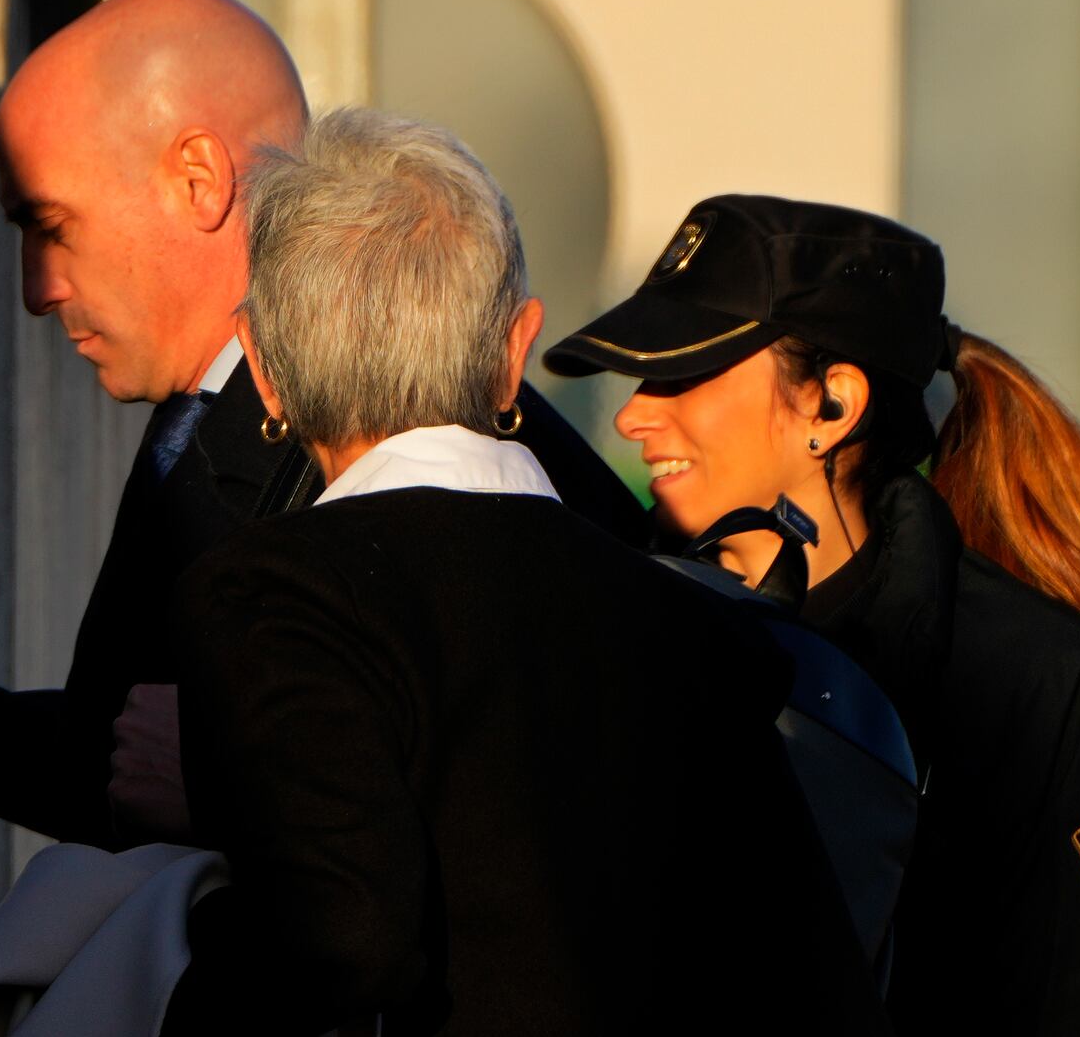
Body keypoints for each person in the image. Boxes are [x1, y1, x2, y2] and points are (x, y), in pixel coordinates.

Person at [0, 0, 648, 850]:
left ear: (199, 180)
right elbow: (127, 758)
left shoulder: (415, 424)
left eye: (52, 224)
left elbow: (548, 827)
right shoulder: (205, 414)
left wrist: (237, 798)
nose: (38, 288)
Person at [158, 111, 887, 1036]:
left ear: (264, 371)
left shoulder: (270, 597)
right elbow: (817, 984)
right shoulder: (701, 629)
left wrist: (178, 914)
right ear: (514, 354)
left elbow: (341, 946)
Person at [543, 193, 1080, 1035]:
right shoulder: (616, 625)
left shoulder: (1027, 668)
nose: (633, 415)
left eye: (682, 374)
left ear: (831, 404)